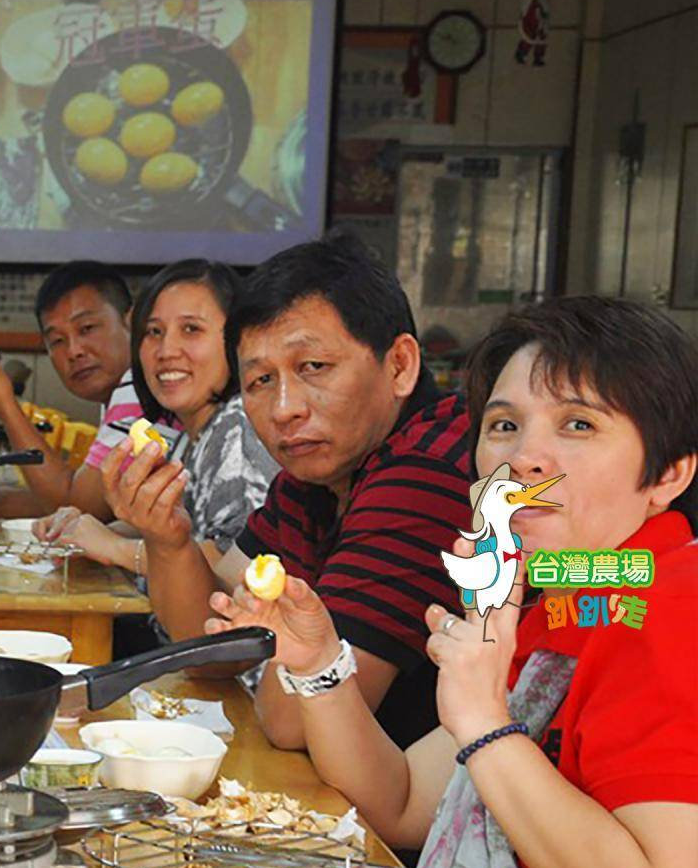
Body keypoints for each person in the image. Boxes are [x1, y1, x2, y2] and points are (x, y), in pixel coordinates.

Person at [207, 297, 698, 868]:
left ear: (670, 473)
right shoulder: (586, 596)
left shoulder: (670, 608)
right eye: (503, 427)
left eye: (578, 426)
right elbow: (400, 801)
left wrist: (488, 725)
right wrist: (320, 662)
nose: (526, 459)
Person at [107, 232, 471, 750]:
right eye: (258, 381)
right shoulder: (319, 471)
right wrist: (167, 539)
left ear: (400, 365)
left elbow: (293, 722)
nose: (284, 409)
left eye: (313, 368)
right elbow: (216, 647)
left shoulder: (425, 472)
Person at [36, 259, 280, 584]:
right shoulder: (195, 431)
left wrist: (114, 547)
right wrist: (85, 531)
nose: (166, 350)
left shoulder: (238, 431)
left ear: (238, 338)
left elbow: (238, 566)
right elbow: (179, 530)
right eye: (154, 332)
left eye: (191, 329)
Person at [0, 260, 140, 521]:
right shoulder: (121, 394)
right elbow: (98, 505)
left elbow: (79, 511)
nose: (74, 351)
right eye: (57, 340)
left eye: (87, 329)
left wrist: (4, 402)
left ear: (132, 321)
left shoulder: (139, 391)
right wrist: (0, 503)